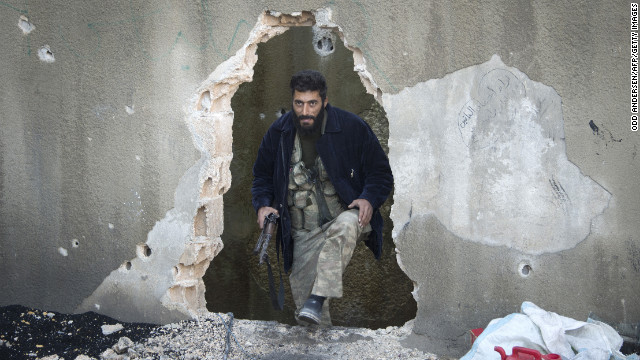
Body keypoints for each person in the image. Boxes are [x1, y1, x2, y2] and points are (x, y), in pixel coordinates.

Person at [251, 70, 393, 326]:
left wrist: (368, 198)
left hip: (344, 217)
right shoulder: (279, 132)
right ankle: (316, 320)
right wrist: (263, 204)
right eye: (299, 103)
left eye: (312, 103)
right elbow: (261, 175)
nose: (305, 111)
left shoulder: (351, 127)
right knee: (308, 319)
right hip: (303, 232)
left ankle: (317, 297)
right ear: (292, 101)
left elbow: (380, 172)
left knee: (347, 225)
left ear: (324, 101)